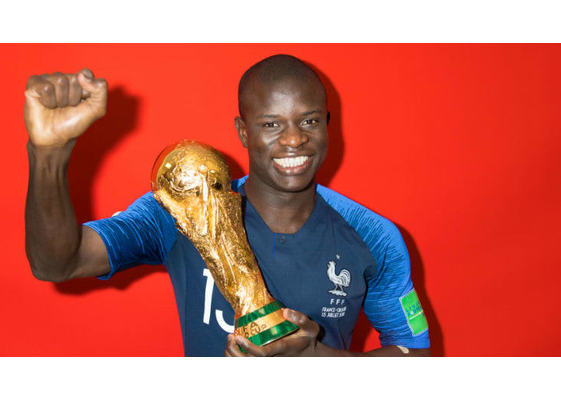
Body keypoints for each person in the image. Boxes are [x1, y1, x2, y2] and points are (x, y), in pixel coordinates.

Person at [24, 54, 430, 357]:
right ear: (243, 131)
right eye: (271, 124)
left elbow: (416, 356)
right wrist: (49, 156)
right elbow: (57, 264)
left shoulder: (374, 236)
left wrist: (314, 357)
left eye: (308, 121)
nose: (294, 139)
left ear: (327, 123)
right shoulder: (183, 207)